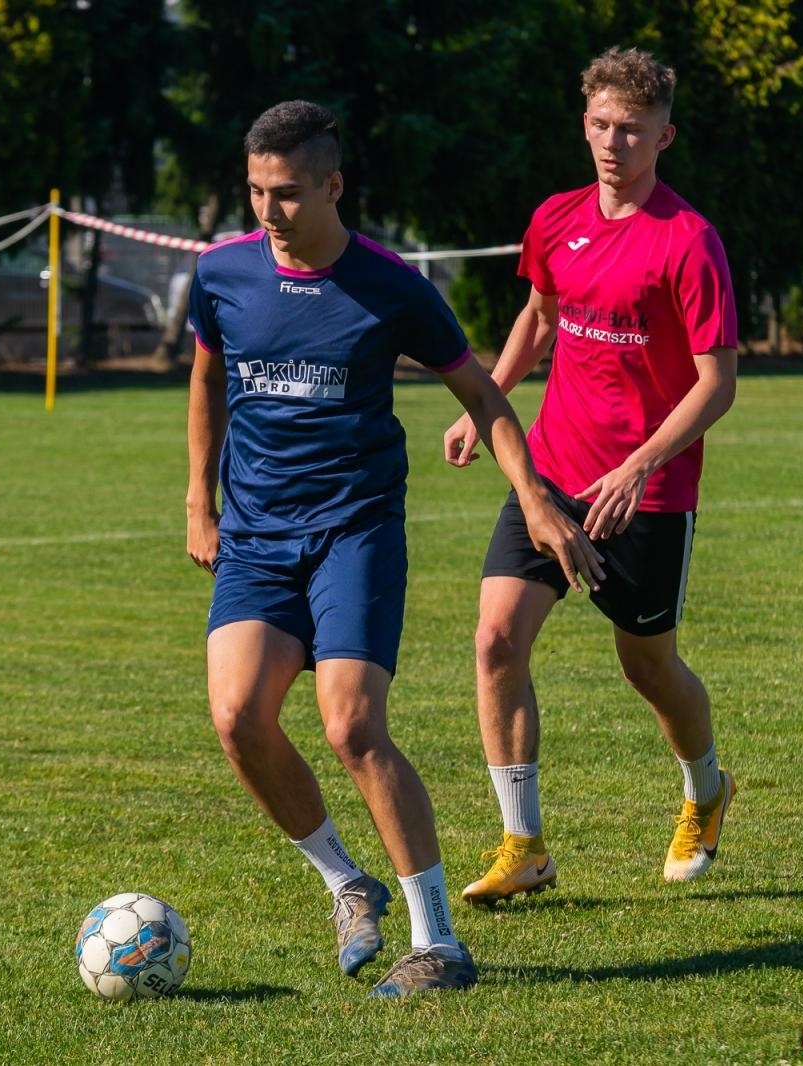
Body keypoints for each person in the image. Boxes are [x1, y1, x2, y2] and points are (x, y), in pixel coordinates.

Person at [186, 100, 602, 996]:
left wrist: (532, 498)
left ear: (333, 185)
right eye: (256, 191)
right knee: (236, 719)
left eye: (288, 193)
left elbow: (485, 397)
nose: (269, 212)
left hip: (354, 530)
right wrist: (197, 499)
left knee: (351, 723)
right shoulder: (221, 273)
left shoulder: (391, 284)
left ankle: (439, 942)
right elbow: (210, 374)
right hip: (256, 537)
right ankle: (348, 883)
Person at [442, 47, 740, 905]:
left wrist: (642, 464)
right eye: (602, 126)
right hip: (553, 472)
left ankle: (706, 789)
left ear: (665, 137)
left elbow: (717, 382)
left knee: (647, 668)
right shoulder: (555, 218)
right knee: (496, 638)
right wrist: (485, 399)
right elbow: (539, 318)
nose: (614, 143)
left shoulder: (689, 242)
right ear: (585, 123)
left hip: (646, 492)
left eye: (633, 131)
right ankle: (523, 844)